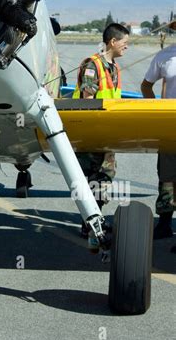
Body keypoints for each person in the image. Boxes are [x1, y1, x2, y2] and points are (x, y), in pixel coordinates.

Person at [72, 23, 130, 249]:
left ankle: (93, 221)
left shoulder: (113, 68)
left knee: (103, 178)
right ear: (112, 42)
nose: (127, 47)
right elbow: (88, 99)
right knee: (90, 179)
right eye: (125, 43)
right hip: (91, 134)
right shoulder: (92, 65)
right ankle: (88, 224)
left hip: (106, 135)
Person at [141, 21, 176, 242]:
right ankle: (164, 223)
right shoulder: (165, 56)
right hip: (170, 125)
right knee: (167, 176)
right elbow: (146, 85)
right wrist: (155, 109)